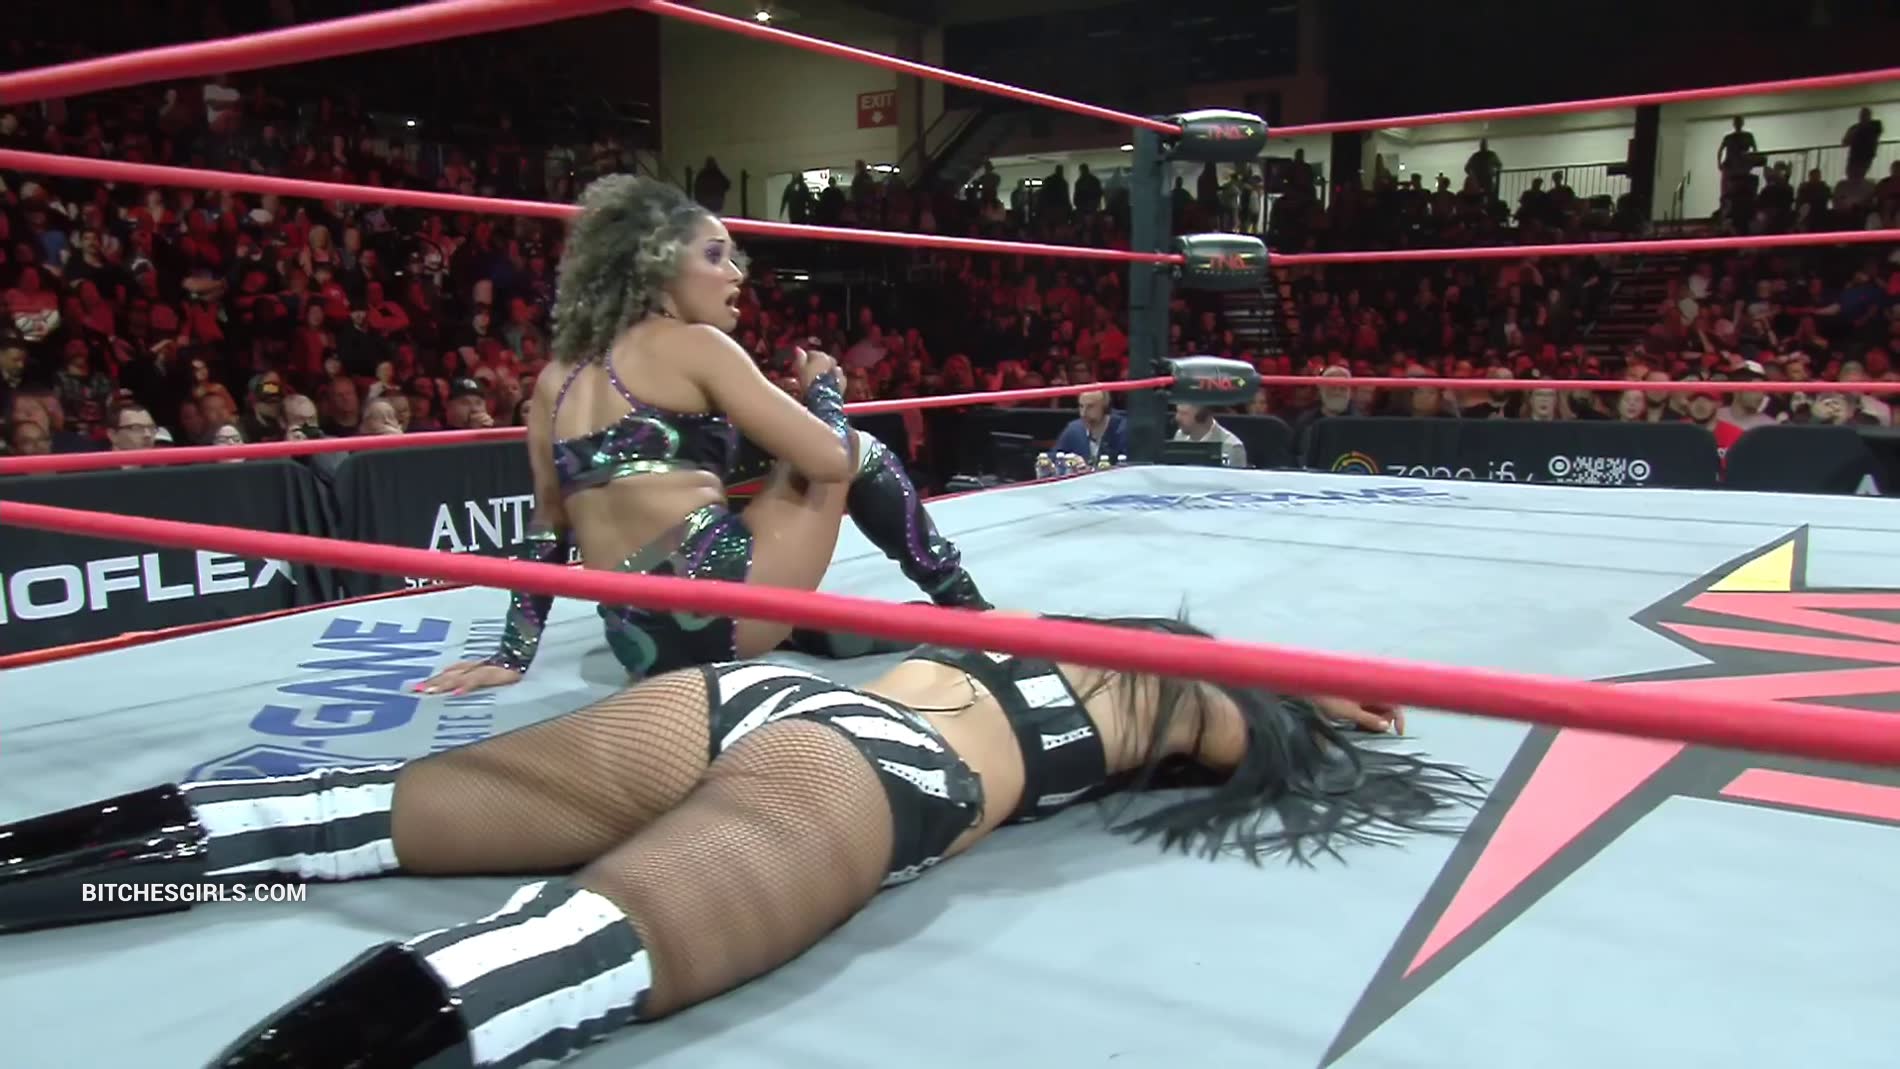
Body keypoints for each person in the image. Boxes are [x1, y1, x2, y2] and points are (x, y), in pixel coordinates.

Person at [0, 615, 1481, 1068]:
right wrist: (1309, 706)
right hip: (877, 767)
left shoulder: (1065, 635)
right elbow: (1259, 717)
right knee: (572, 946)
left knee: (349, 811)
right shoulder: (1182, 700)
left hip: (746, 697)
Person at [418, 176, 988, 693]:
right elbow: (831, 461)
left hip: (635, 642)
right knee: (858, 449)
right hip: (721, 605)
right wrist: (823, 389)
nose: (736, 274)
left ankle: (805, 629)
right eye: (715, 255)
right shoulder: (696, 345)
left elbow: (548, 527)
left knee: (757, 479)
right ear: (659, 267)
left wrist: (513, 654)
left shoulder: (552, 379)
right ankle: (970, 612)